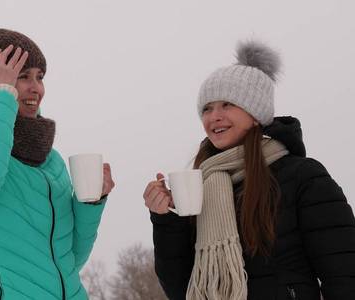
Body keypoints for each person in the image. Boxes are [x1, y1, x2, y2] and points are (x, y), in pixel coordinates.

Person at [144, 40, 355, 299]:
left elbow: (345, 275)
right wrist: (166, 219)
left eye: (227, 104)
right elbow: (181, 289)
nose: (214, 116)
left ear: (256, 114)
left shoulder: (303, 177)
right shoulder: (201, 186)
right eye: (207, 109)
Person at [0, 27, 115, 299]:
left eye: (39, 77)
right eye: (21, 76)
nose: (36, 88)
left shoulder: (50, 160)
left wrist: (90, 203)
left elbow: (68, 259)